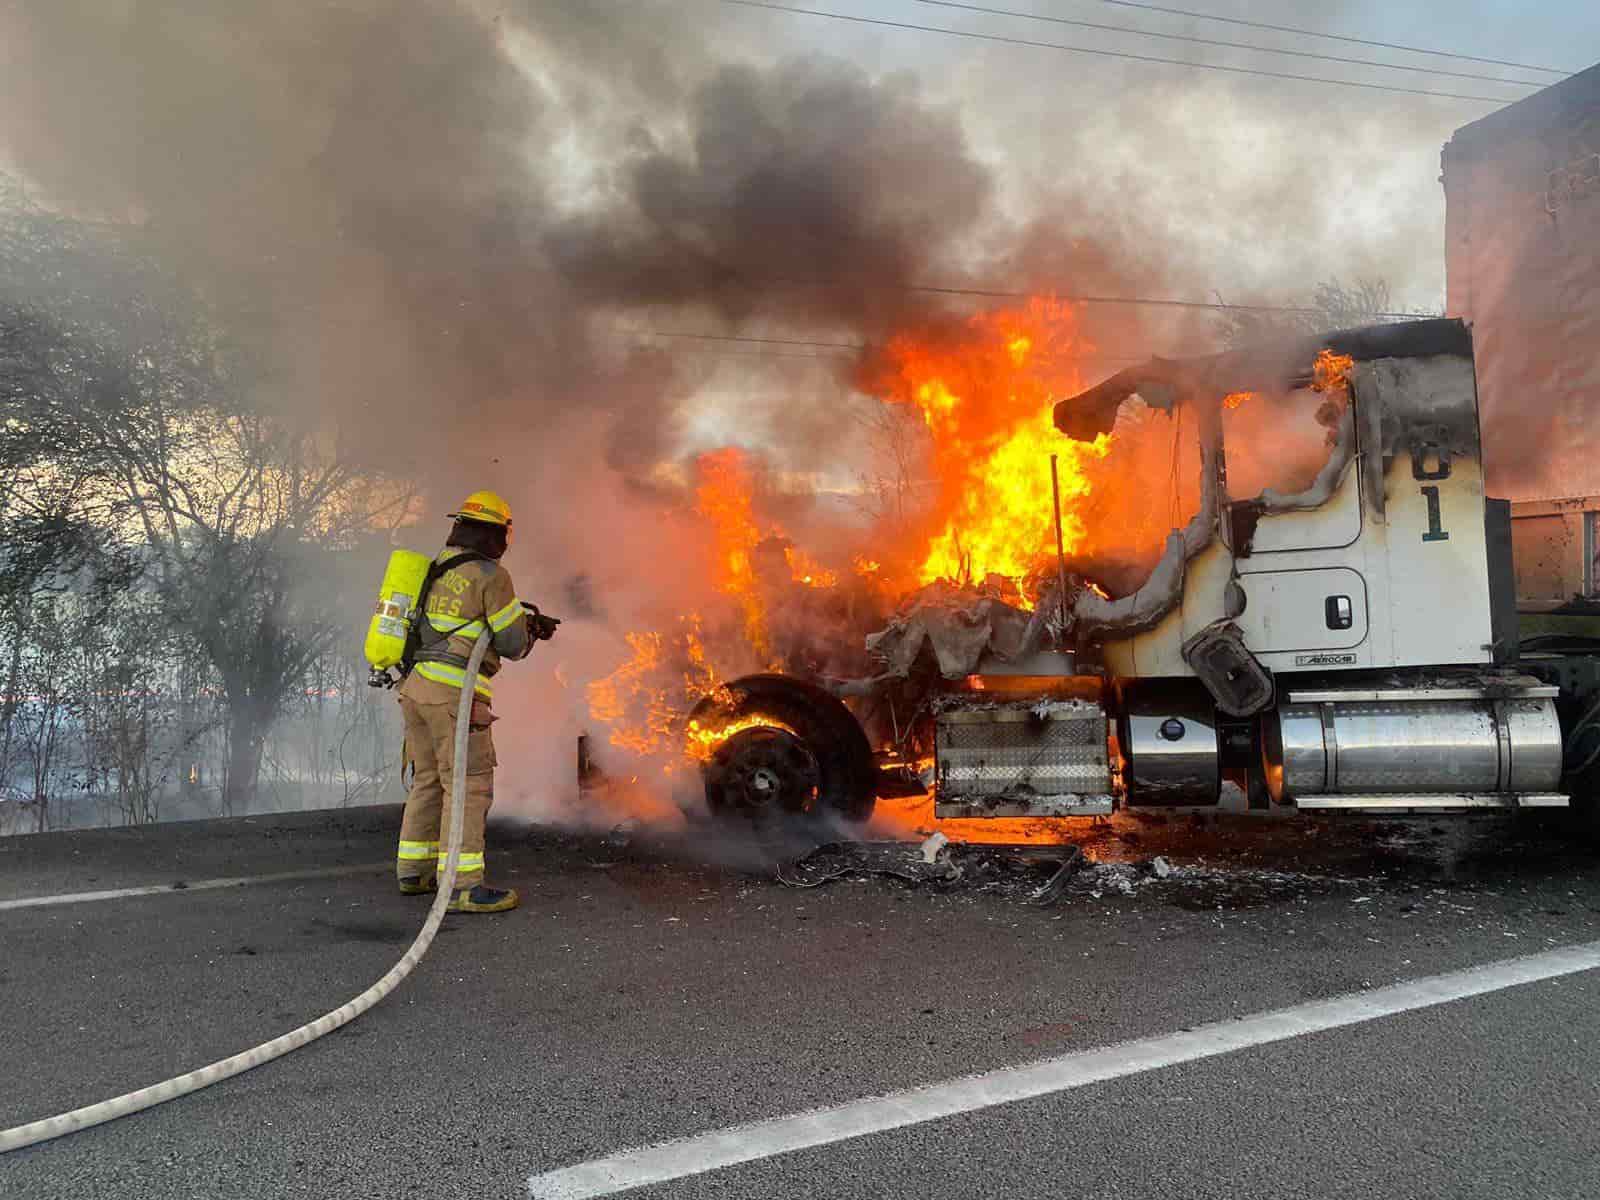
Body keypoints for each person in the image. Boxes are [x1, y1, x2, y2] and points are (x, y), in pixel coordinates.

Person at [395, 490, 546, 913]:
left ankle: (414, 871)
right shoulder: (491, 577)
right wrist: (532, 629)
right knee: (469, 783)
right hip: (453, 698)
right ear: (496, 534)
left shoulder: (437, 568)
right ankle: (462, 886)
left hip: (415, 689)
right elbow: (513, 643)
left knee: (428, 778)